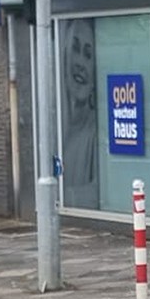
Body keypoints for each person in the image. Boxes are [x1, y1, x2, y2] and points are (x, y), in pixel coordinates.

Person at [61, 18, 99, 207]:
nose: (80, 64)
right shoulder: (59, 129)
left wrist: (60, 197)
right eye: (75, 49)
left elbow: (101, 191)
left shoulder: (96, 134)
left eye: (88, 55)